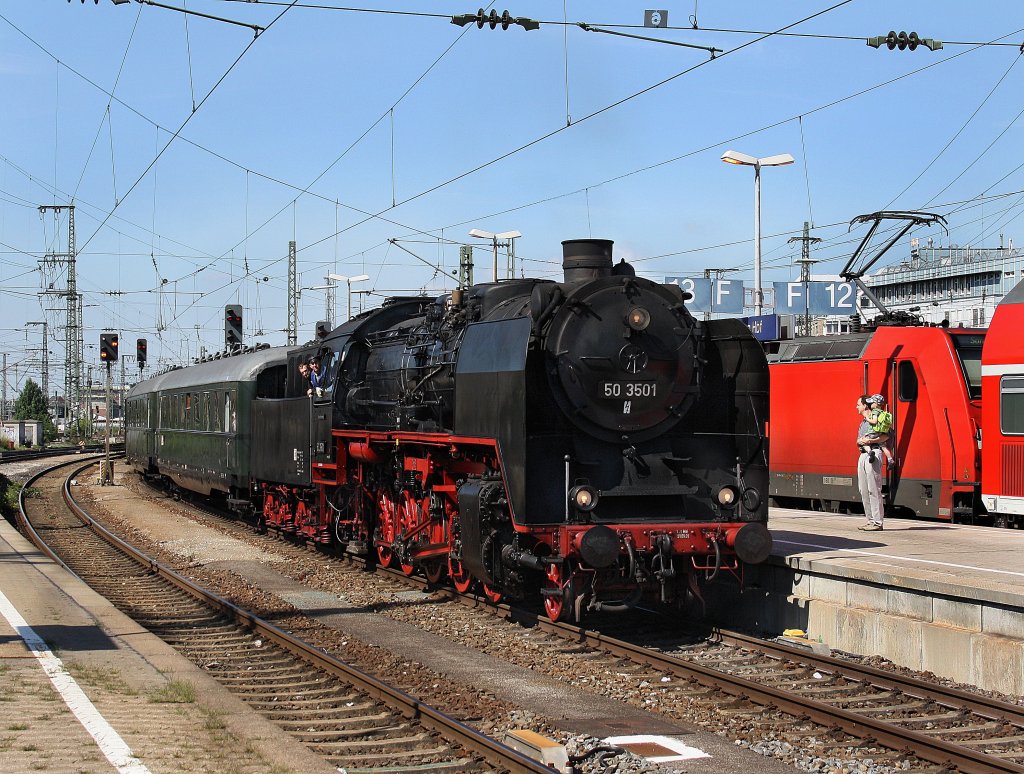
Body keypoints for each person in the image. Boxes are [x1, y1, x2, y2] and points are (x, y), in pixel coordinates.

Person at [855, 394, 886, 531]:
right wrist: (859, 441)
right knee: (863, 489)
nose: (856, 407)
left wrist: (870, 441)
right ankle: (870, 520)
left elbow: (886, 436)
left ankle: (878, 522)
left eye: (858, 404)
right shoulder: (862, 423)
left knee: (874, 488)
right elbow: (859, 439)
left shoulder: (877, 419)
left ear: (865, 405)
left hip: (874, 452)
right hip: (863, 454)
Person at [863, 394, 895, 466]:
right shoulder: (882, 412)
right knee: (883, 447)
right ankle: (890, 459)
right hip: (880, 433)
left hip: (873, 432)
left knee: (864, 442)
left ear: (876, 404)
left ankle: (870, 452)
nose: (870, 404)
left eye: (871, 403)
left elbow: (874, 421)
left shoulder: (875, 412)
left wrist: (867, 418)